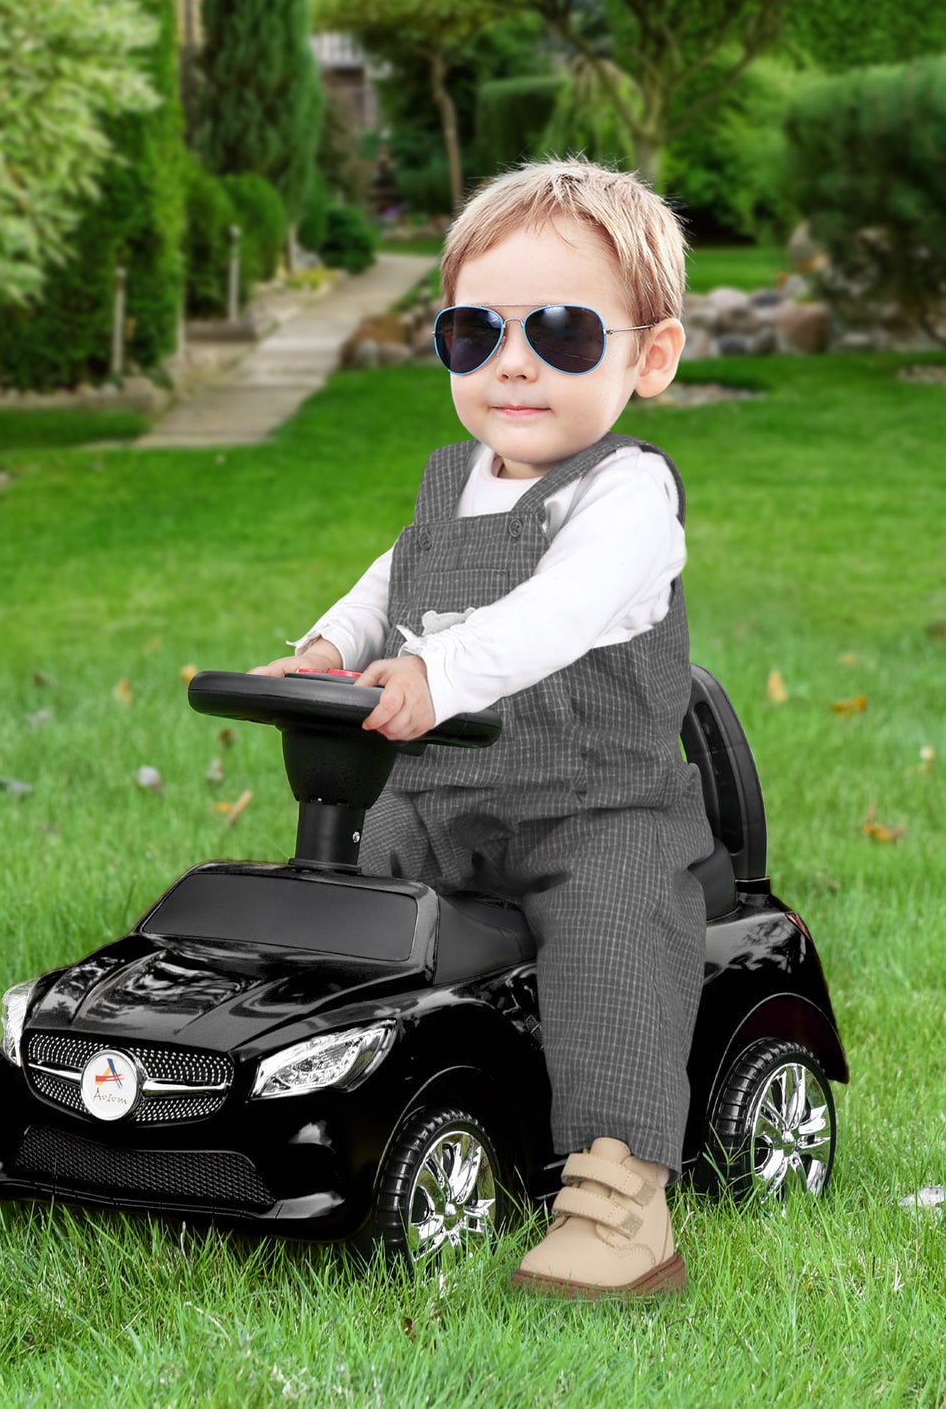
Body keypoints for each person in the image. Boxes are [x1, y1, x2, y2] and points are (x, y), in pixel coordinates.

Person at [252, 159, 712, 1299]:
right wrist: (328, 650)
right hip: (438, 800)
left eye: (559, 332)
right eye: (474, 331)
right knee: (325, 914)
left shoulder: (625, 496)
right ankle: (292, 1112)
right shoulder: (451, 481)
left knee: (612, 936)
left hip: (594, 809)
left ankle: (617, 1198)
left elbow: (557, 612)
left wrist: (433, 670)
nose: (512, 361)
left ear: (646, 357)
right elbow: (384, 583)